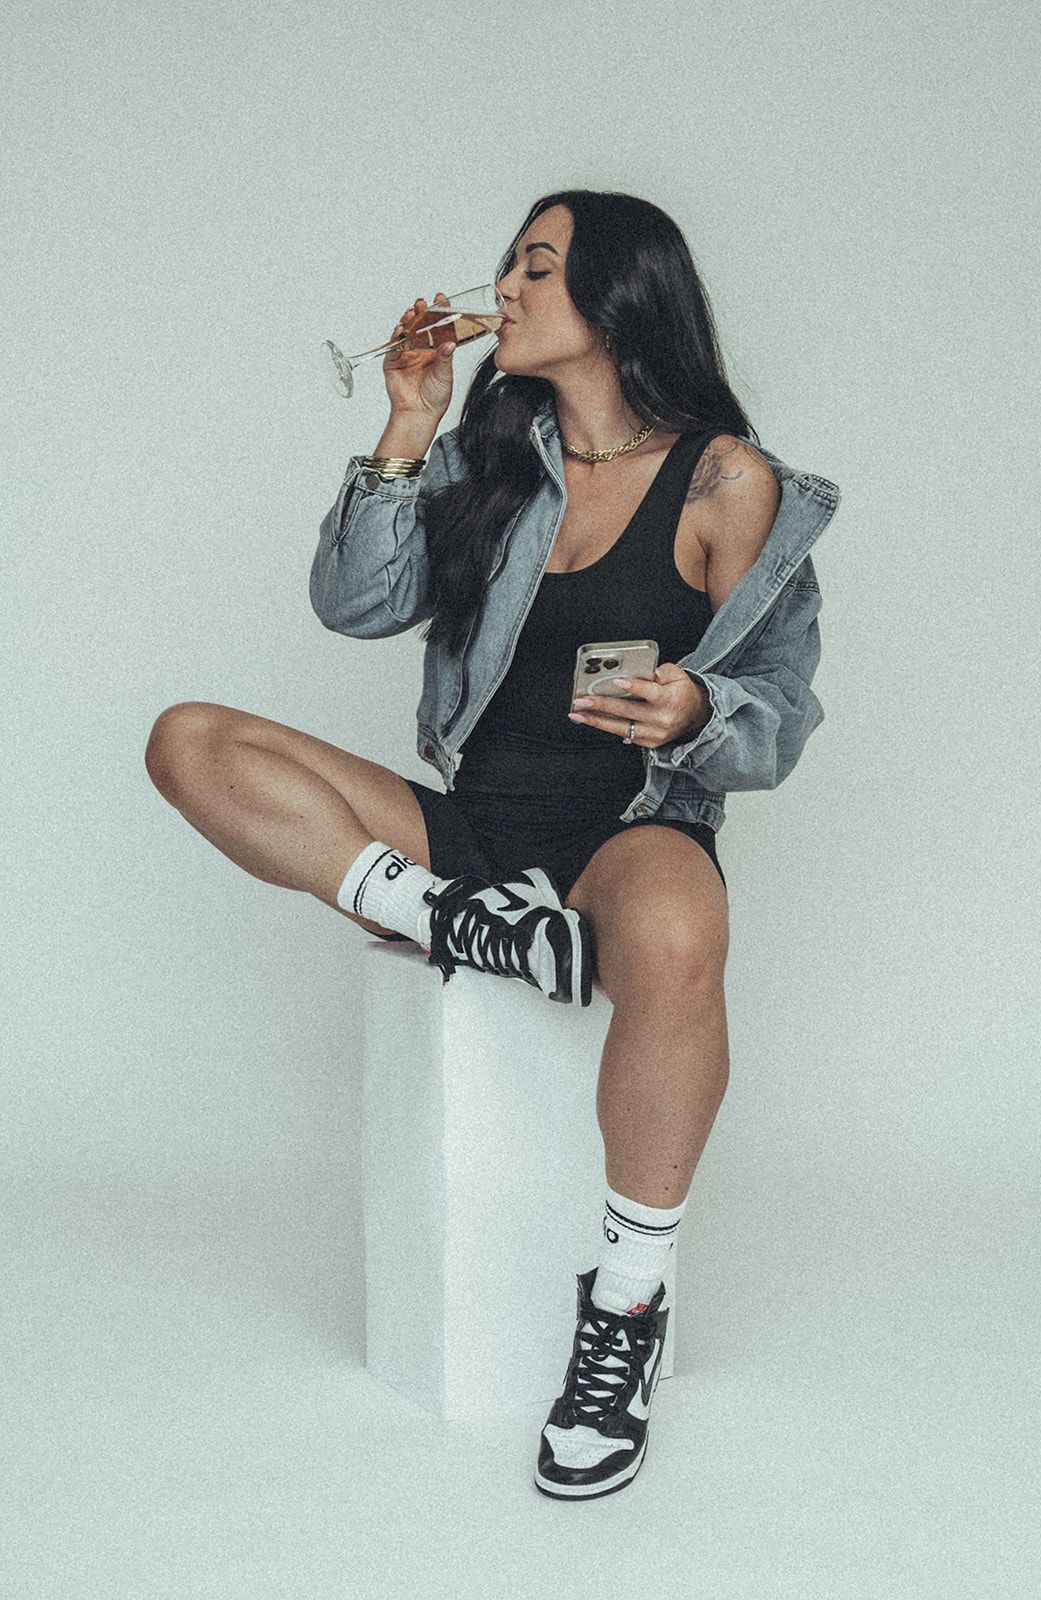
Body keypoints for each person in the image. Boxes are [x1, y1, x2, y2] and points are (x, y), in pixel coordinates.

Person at [144, 188, 840, 1501]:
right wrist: (405, 430)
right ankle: (441, 915)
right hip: (468, 826)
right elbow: (354, 608)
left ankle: (623, 1309)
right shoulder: (489, 455)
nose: (501, 292)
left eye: (534, 269)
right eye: (509, 268)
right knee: (191, 739)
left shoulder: (728, 480)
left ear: (620, 299)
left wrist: (700, 705)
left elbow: (778, 724)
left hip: (630, 824)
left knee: (682, 936)